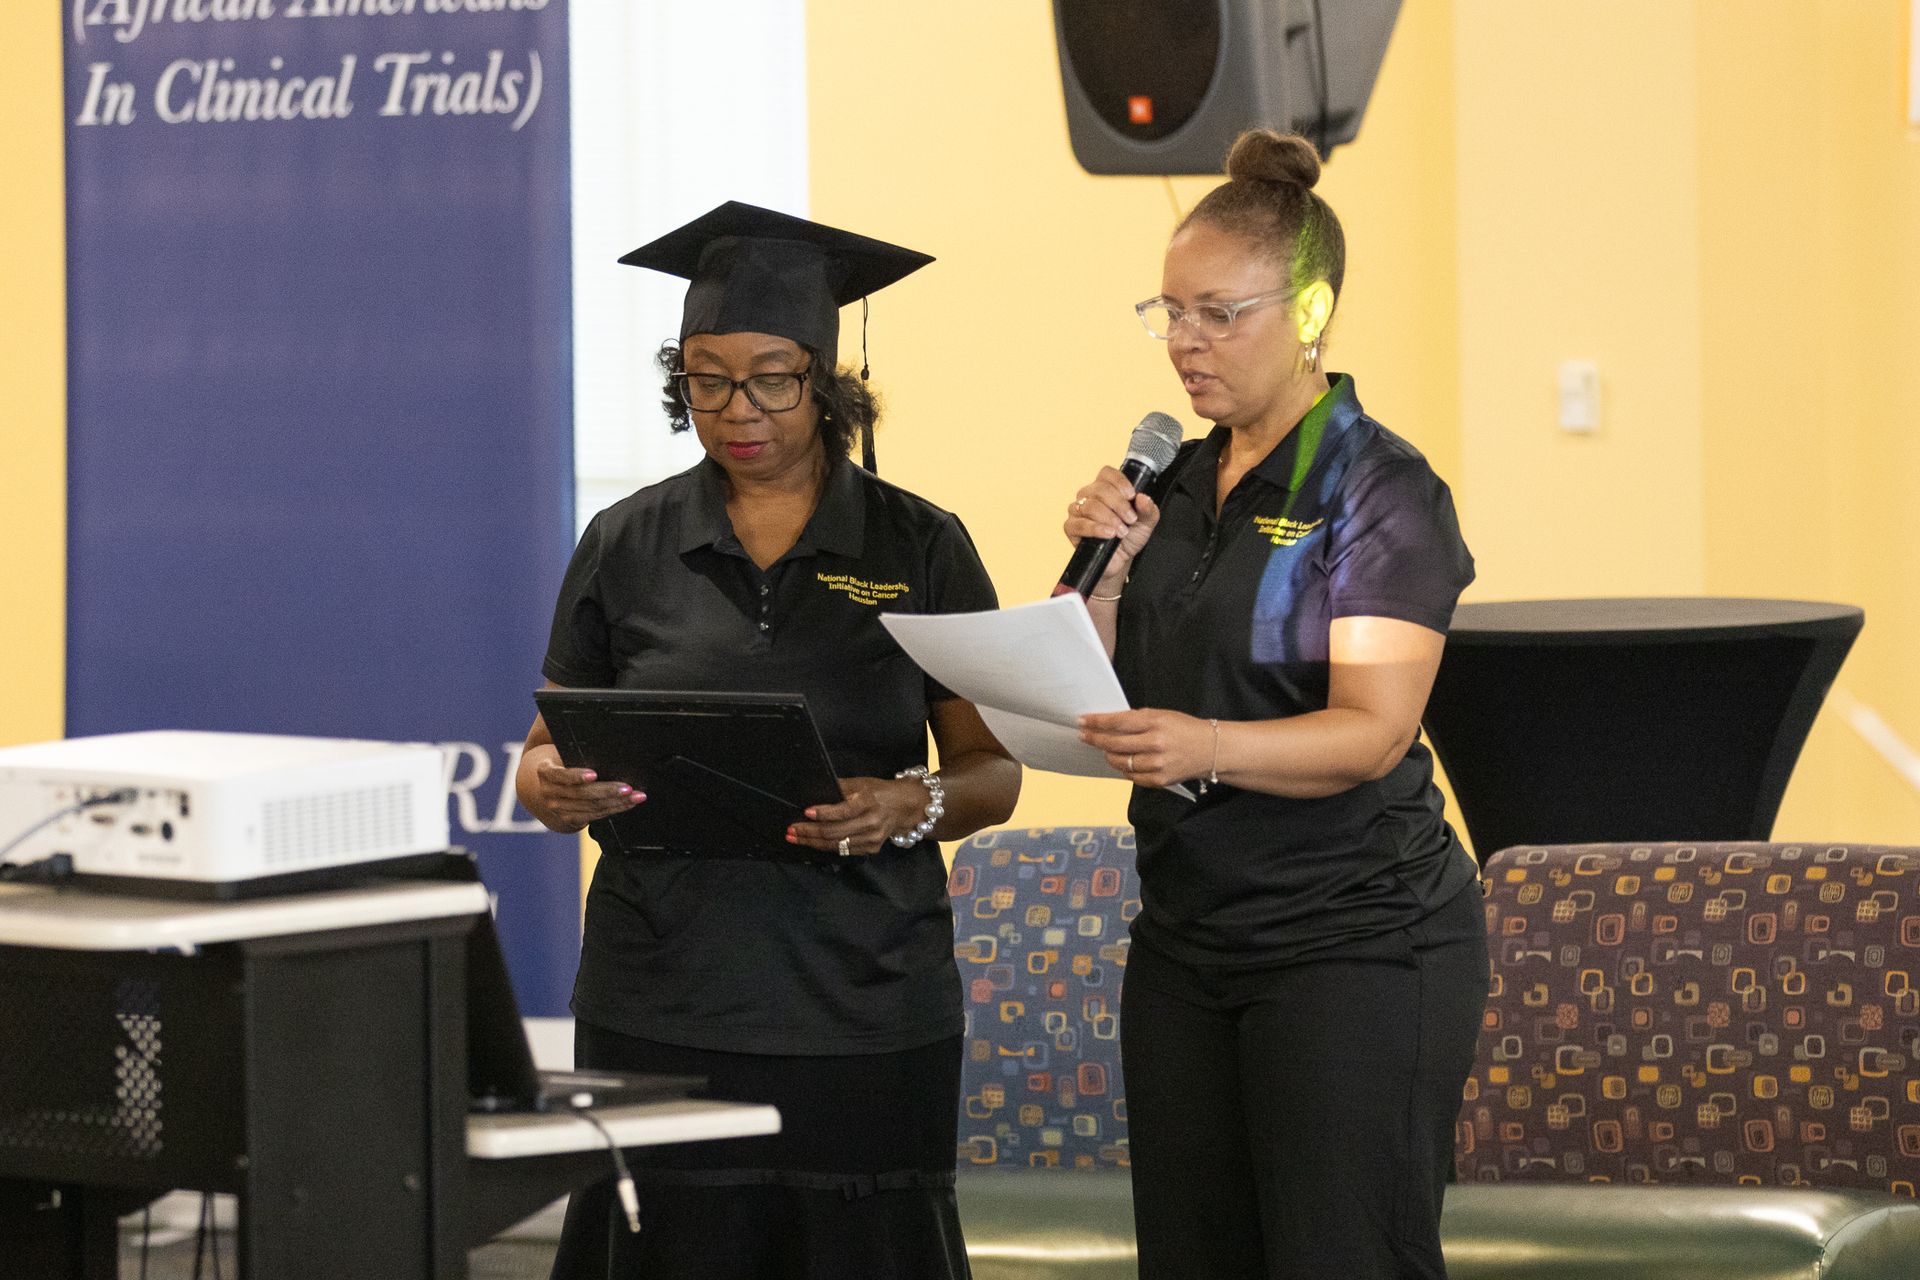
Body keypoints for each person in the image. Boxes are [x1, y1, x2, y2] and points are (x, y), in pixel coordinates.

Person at [516, 201, 1021, 1280]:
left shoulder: (920, 543)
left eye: (771, 378)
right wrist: (545, 784)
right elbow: (542, 744)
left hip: (863, 1008)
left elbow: (993, 771)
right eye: (705, 377)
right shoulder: (626, 541)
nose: (737, 409)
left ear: (829, 383)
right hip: (661, 999)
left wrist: (907, 803)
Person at [1062, 131, 1488, 1279]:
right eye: (1168, 313)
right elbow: (1097, 691)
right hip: (1189, 939)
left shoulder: (1379, 487)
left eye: (1218, 313)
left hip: (1353, 938)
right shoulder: (1175, 482)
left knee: (1340, 1255)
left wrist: (1202, 741)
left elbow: (1374, 729)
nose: (1185, 344)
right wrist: (1099, 582)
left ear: (1309, 309)